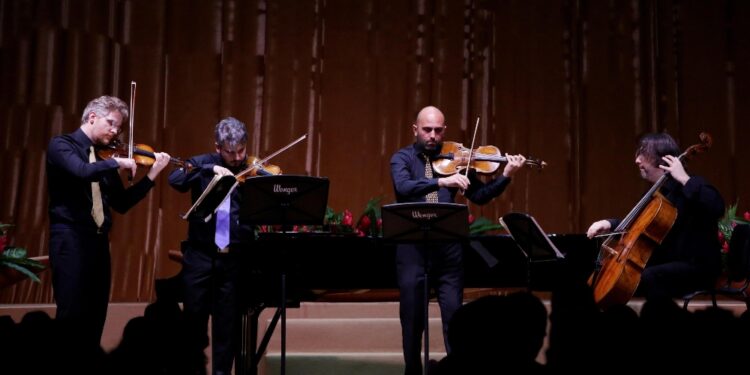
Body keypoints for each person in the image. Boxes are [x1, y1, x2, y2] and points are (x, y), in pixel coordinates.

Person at [389, 105, 527, 375]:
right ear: (415, 130)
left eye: (438, 130)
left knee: (455, 319)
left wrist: (506, 175)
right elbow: (403, 187)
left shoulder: (457, 159)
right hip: (413, 251)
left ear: (445, 131)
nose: (432, 136)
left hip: (448, 251)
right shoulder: (401, 158)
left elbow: (480, 196)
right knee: (412, 321)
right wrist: (441, 183)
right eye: (427, 130)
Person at [46, 95, 171, 349]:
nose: (116, 132)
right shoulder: (62, 145)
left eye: (119, 128)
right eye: (112, 123)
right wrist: (117, 162)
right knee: (71, 317)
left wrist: (153, 174)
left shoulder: (104, 158)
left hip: (99, 243)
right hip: (70, 240)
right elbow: (81, 171)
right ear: (92, 117)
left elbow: (121, 203)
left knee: (95, 318)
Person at [586, 132, 725, 302]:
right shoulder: (655, 194)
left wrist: (684, 179)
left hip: (696, 266)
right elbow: (637, 227)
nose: (637, 160)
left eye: (643, 154)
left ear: (663, 159)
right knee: (605, 275)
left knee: (646, 278)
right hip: (667, 263)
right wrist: (609, 223)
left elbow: (717, 207)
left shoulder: (693, 184)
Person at [168, 116, 255, 375]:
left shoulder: (249, 170)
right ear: (218, 147)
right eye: (230, 152)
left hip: (233, 257)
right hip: (201, 256)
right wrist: (209, 170)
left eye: (242, 150)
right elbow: (175, 179)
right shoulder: (202, 163)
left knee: (226, 326)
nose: (238, 158)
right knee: (194, 321)